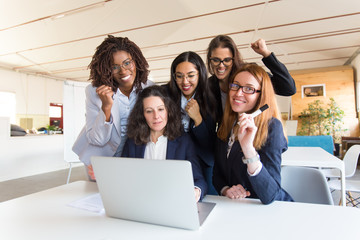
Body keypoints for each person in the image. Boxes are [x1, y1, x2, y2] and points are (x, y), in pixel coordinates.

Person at [72, 35, 153, 180]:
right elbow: (97, 139)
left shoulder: (150, 88)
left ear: (136, 61)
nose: (123, 71)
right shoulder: (95, 92)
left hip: (134, 156)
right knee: (101, 200)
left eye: (127, 63)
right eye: (114, 67)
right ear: (106, 69)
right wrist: (106, 107)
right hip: (101, 158)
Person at [213, 63, 293, 204]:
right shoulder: (227, 124)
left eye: (249, 89)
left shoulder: (272, 127)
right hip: (239, 207)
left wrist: (248, 149)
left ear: (261, 96)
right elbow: (218, 174)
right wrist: (226, 189)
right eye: (235, 86)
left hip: (268, 210)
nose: (238, 93)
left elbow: (271, 194)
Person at [118, 85, 207, 202]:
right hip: (140, 202)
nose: (156, 116)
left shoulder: (184, 141)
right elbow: (122, 177)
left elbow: (199, 181)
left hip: (171, 202)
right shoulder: (133, 141)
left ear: (168, 110)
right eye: (149, 111)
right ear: (142, 115)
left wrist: (196, 191)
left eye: (160, 109)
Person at [206, 35, 296, 123]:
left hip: (256, 131)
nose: (221, 65)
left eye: (227, 60)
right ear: (210, 59)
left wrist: (266, 54)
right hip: (229, 135)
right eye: (216, 60)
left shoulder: (248, 74)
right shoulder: (209, 85)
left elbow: (288, 88)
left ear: (234, 59)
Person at [163, 51, 217, 195]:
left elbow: (209, 143)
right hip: (172, 156)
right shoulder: (163, 94)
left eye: (191, 75)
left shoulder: (210, 98)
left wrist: (198, 118)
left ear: (200, 74)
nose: (185, 82)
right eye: (179, 76)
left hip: (201, 158)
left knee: (205, 197)